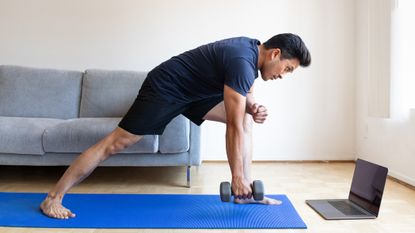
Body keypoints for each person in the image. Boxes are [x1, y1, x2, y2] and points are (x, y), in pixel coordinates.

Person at [40, 33, 311, 219]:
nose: (282, 76)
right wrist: (235, 176)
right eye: (287, 69)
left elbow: (246, 91)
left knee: (244, 117)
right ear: (276, 54)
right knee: (117, 142)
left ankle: (246, 193)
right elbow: (234, 130)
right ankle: (52, 198)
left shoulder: (252, 51)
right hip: (166, 88)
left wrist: (252, 106)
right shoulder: (242, 59)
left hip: (193, 93)